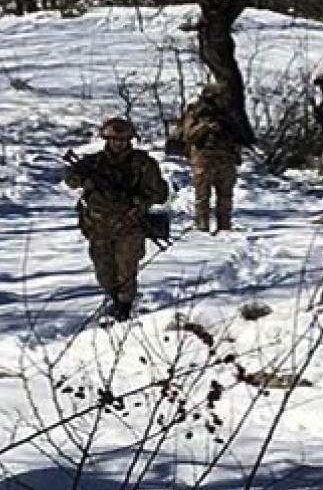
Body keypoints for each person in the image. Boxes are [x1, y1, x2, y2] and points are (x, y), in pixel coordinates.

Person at [63, 117, 169, 321]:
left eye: (123, 140)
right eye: (113, 139)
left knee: (126, 269)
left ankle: (124, 307)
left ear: (130, 140)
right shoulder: (94, 162)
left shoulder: (143, 164)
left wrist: (139, 202)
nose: (118, 144)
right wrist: (84, 180)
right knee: (104, 271)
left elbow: (158, 193)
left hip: (129, 226)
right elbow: (71, 178)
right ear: (106, 140)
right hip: (98, 226)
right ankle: (114, 299)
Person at [181, 83, 243, 232]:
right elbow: (188, 135)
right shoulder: (196, 111)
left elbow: (239, 135)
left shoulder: (228, 113)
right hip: (204, 158)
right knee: (202, 197)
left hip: (226, 157)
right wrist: (205, 126)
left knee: (225, 197)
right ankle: (202, 227)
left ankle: (224, 227)